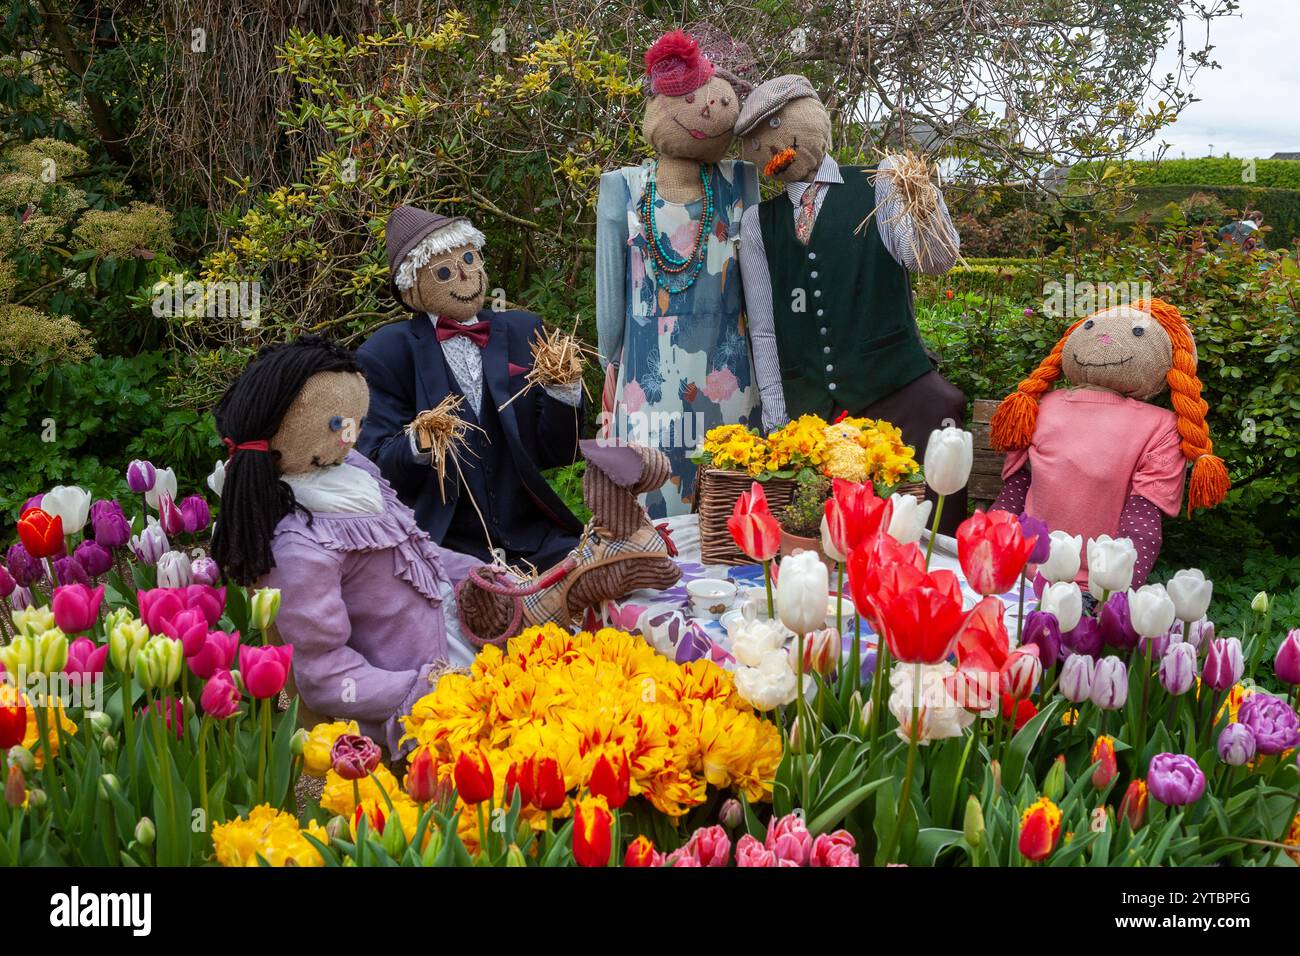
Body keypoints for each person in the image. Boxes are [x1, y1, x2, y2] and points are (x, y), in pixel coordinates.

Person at [209, 336, 480, 754]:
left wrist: (476, 574)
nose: (352, 434)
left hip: (454, 637)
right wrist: (430, 688)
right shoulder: (299, 545)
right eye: (339, 424)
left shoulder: (354, 472)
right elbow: (324, 676)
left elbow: (416, 550)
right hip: (421, 688)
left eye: (358, 419)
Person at [735, 75, 967, 532]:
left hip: (895, 387)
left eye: (777, 125)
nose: (771, 145)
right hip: (813, 407)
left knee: (932, 494)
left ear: (813, 116)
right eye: (756, 139)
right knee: (823, 538)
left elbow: (933, 260)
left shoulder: (878, 186)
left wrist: (920, 197)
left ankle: (944, 578)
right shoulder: (758, 223)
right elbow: (764, 328)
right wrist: (778, 417)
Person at [356, 207, 583, 570]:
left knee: (602, 569)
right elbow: (376, 468)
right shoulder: (386, 353)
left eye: (469, 258)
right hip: (446, 546)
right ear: (412, 289)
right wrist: (420, 442)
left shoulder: (524, 331)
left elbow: (559, 451)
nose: (465, 275)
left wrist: (563, 392)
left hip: (535, 539)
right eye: (445, 271)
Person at [595, 29, 761, 517]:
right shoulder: (622, 188)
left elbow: (759, 288)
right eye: (694, 99)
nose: (711, 109)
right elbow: (610, 295)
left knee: (728, 500)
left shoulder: (739, 181)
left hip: (728, 369)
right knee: (651, 492)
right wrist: (609, 365)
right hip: (645, 378)